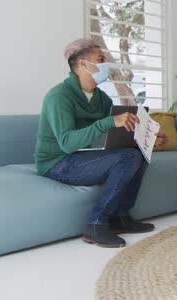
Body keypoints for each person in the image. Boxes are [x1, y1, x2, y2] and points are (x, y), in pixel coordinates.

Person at [34, 38, 168, 248]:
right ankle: (95, 224)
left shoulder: (102, 99)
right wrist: (109, 121)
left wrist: (146, 139)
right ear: (82, 64)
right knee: (128, 156)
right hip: (57, 162)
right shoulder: (58, 96)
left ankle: (120, 217)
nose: (106, 65)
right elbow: (67, 143)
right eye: (101, 59)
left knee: (138, 152)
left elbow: (111, 136)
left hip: (83, 155)